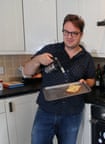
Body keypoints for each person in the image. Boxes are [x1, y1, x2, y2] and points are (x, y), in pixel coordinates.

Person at [23, 14, 95, 144]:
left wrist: (85, 83)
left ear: (81, 34)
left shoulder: (86, 58)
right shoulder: (50, 50)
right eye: (66, 32)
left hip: (72, 114)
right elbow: (27, 71)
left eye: (74, 33)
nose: (69, 36)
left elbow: (91, 79)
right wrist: (38, 59)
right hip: (46, 111)